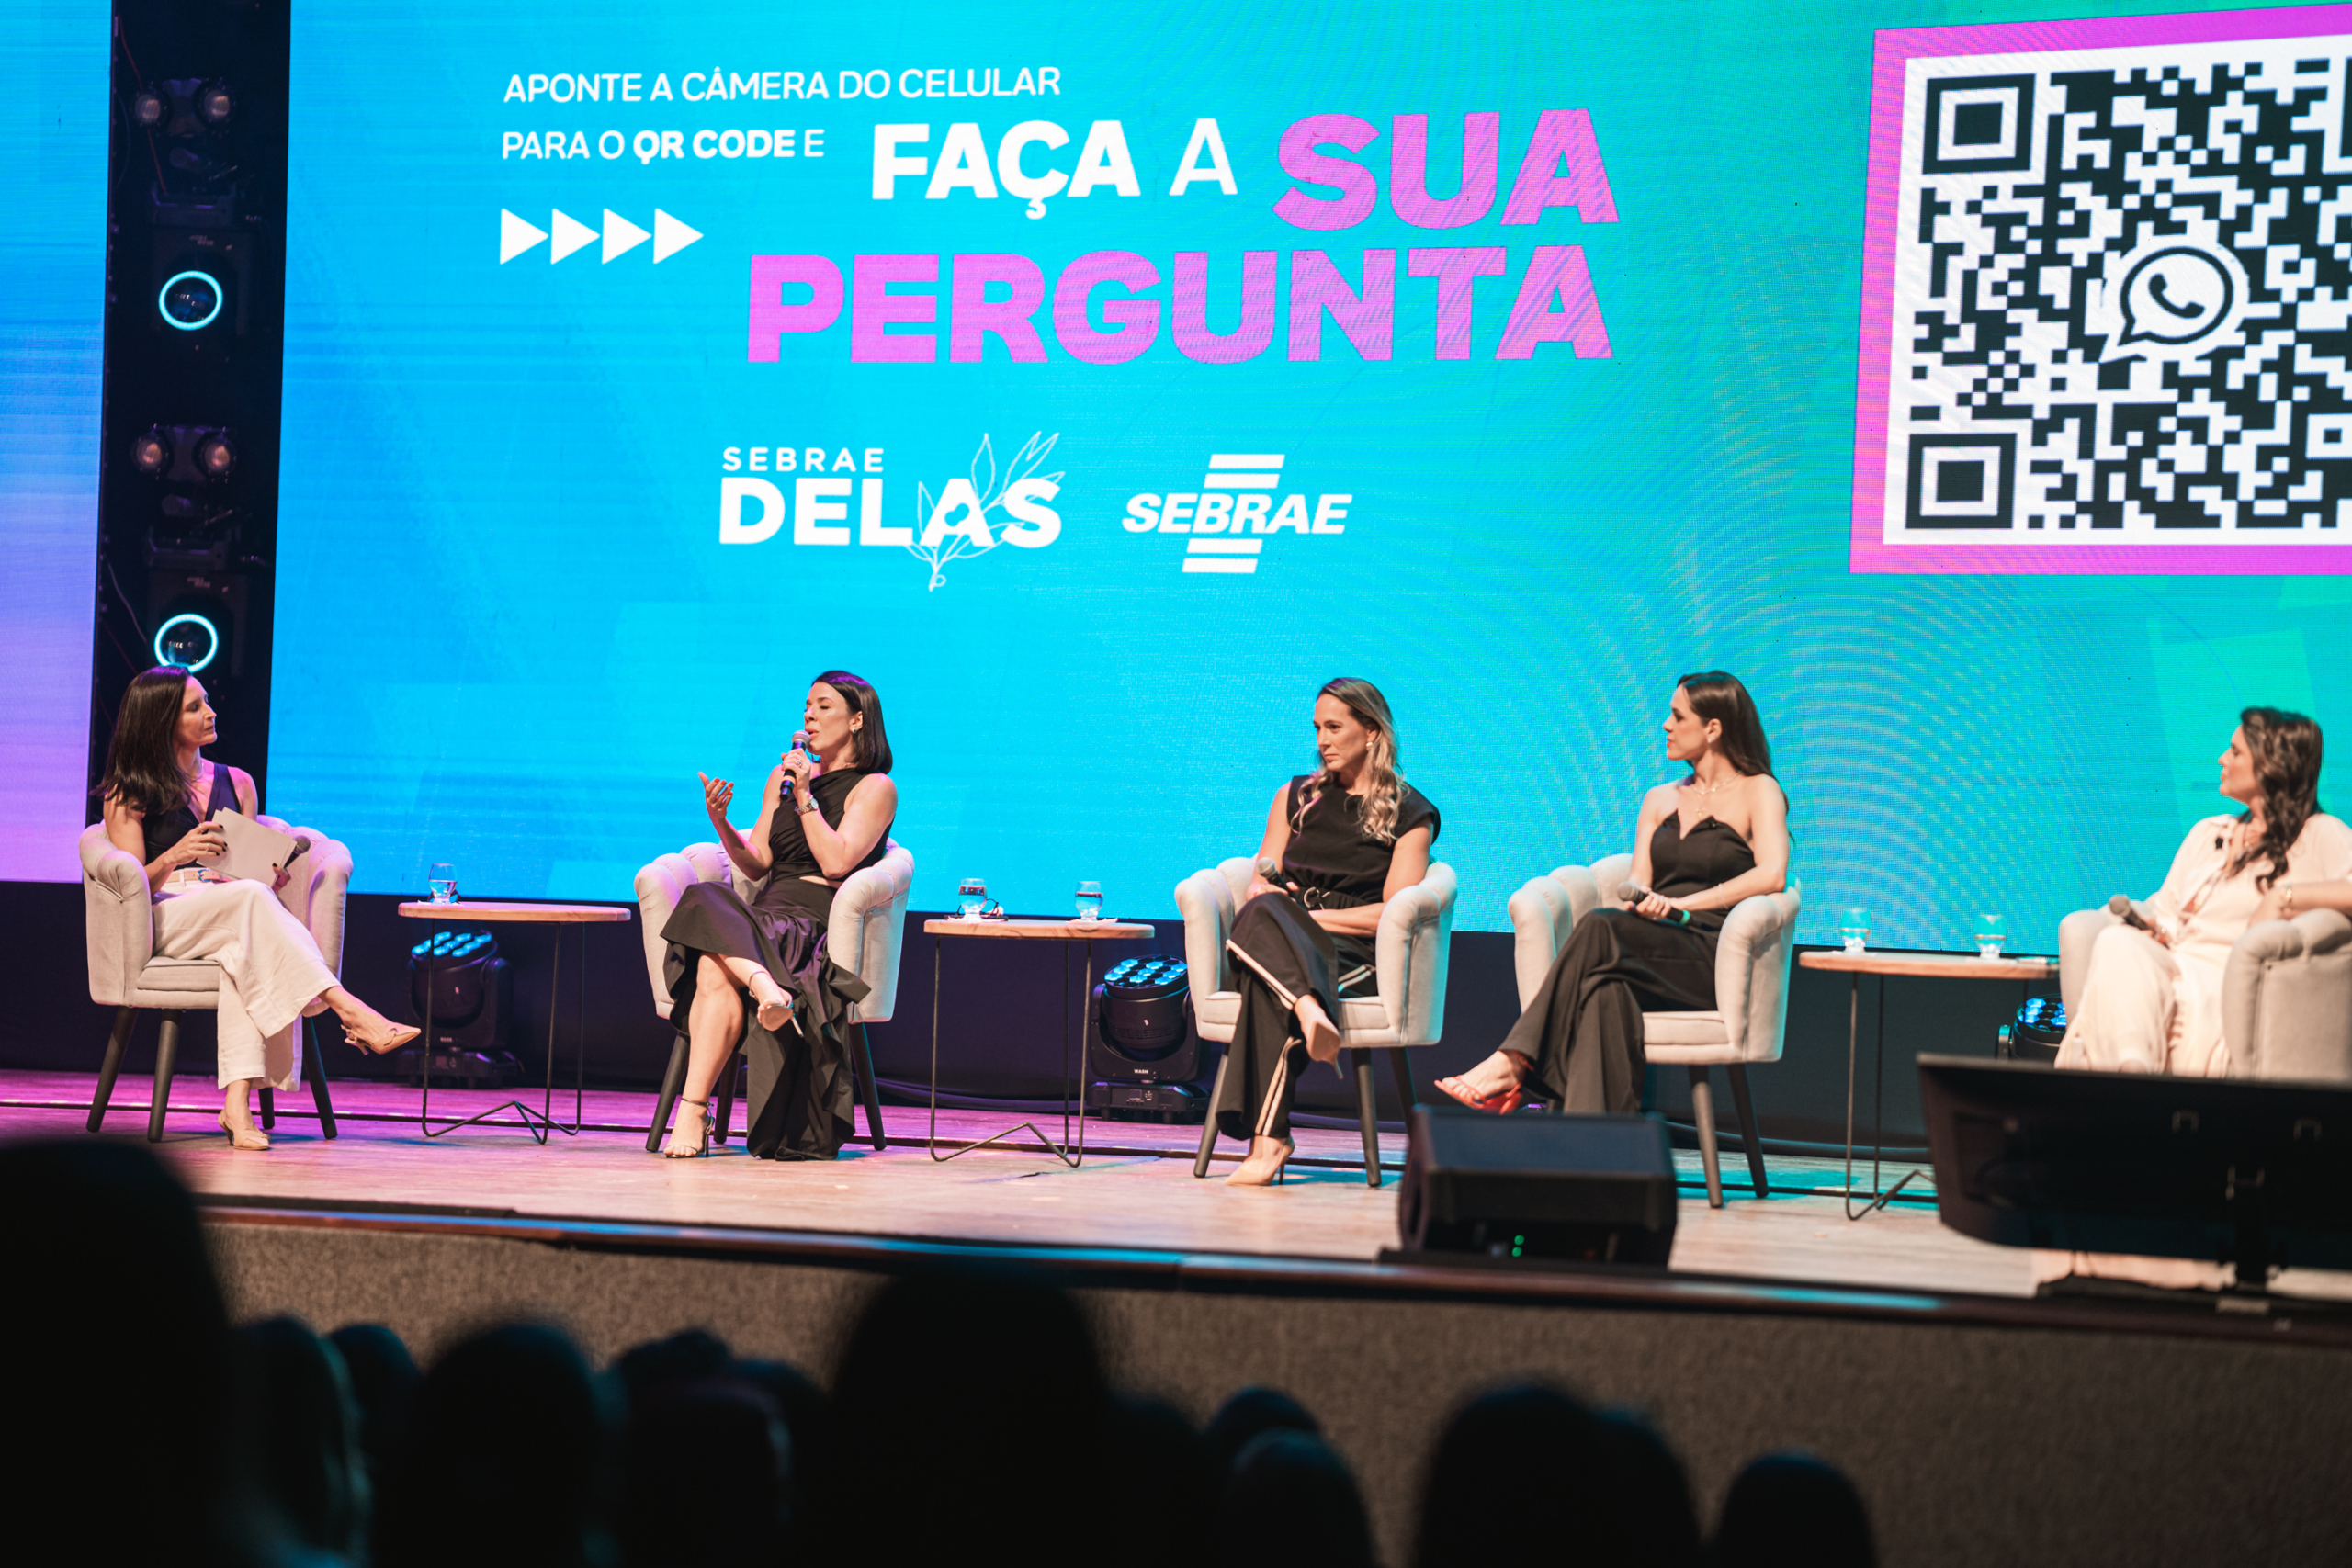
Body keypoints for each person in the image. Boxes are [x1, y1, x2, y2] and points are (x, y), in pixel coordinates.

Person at [1437, 671, 1788, 1115]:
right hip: (1652, 946)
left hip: (1711, 955)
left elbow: (1772, 875)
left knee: (1600, 926)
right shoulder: (1659, 798)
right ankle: (1594, 1147)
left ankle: (1515, 1062)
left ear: (1712, 729)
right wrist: (1640, 902)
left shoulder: (1759, 790)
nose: (1665, 725)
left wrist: (1681, 904)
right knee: (1606, 992)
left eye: (1678, 717)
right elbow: (1637, 880)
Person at [96, 665, 418, 1149]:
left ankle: (237, 1107)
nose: (211, 712)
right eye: (195, 707)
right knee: (249, 904)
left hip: (230, 906)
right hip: (164, 913)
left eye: (206, 701)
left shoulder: (238, 782)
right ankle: (348, 1009)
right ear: (162, 721)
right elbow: (131, 887)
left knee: (243, 940)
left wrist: (270, 874)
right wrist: (176, 854)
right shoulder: (130, 792)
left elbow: (243, 872)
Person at [656, 671, 898, 1159]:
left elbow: (836, 863)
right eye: (807, 706)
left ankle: (693, 1110)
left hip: (810, 925)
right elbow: (758, 862)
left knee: (711, 951)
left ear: (856, 720)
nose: (809, 716)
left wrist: (806, 795)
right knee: (706, 906)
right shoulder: (779, 779)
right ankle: (763, 986)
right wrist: (721, 822)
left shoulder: (875, 787)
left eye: (823, 706)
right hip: (764, 917)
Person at [1209, 677, 1440, 1187]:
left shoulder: (1411, 813)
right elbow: (1259, 882)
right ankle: (1309, 1008)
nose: (1322, 740)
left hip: (1351, 952)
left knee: (1266, 976)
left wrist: (1305, 919)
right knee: (1263, 909)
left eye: (1334, 727)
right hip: (1280, 935)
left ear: (1372, 732)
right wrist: (1272, 899)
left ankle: (1269, 1138)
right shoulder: (1295, 796)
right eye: (1317, 728)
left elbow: (1391, 914)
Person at [2059, 707, 2352, 1077]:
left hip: (2233, 980)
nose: (2222, 759)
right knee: (2117, 941)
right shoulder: (2209, 832)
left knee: (2125, 967)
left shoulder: (2319, 833)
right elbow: (2166, 907)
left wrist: (2282, 896)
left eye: (2235, 752)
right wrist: (2154, 926)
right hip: (2173, 964)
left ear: (2271, 765)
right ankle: (2134, 1078)